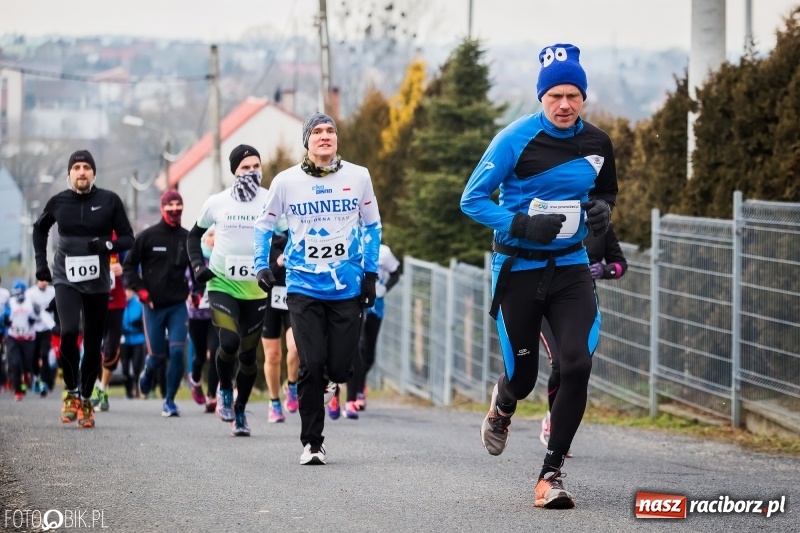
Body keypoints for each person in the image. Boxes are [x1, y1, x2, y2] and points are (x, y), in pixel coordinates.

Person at [460, 43, 617, 509]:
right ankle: (503, 404)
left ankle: (550, 475)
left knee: (577, 364)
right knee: (523, 376)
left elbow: (605, 195)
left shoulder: (598, 143)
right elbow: (473, 199)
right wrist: (521, 224)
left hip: (570, 267)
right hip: (518, 270)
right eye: (555, 96)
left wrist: (602, 215)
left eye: (573, 95)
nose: (565, 105)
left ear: (583, 97)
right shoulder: (514, 139)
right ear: (542, 98)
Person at [254, 112, 382, 464]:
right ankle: (312, 442)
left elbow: (372, 226)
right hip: (303, 286)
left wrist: (370, 273)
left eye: (331, 131)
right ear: (307, 141)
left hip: (346, 288)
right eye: (318, 132)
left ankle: (329, 382)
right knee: (311, 362)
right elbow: (263, 227)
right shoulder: (286, 181)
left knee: (339, 368)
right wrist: (261, 266)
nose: (325, 136)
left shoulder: (359, 176)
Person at [33, 149, 135, 428]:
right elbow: (39, 229)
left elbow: (128, 238)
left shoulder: (109, 201)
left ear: (93, 173)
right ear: (69, 174)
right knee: (68, 332)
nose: (81, 172)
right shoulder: (58, 202)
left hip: (98, 282)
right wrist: (41, 264)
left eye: (86, 167)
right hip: (65, 277)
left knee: (92, 344)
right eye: (76, 167)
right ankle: (72, 391)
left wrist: (107, 245)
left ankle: (87, 399)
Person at [186, 144, 269, 437]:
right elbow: (193, 236)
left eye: (256, 166)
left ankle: (241, 411)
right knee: (230, 341)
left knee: (247, 357)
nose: (252, 172)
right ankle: (224, 388)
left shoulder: (270, 200)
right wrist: (198, 267)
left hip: (256, 290)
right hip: (221, 283)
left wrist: (275, 261)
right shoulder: (217, 202)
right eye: (246, 167)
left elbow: (285, 236)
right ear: (235, 170)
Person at [539, 221, 628, 450]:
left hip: (580, 305)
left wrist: (604, 270)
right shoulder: (555, 216)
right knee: (559, 364)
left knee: (576, 367)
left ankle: (559, 432)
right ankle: (553, 420)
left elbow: (620, 264)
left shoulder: (601, 226)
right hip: (544, 303)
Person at [123, 189, 193, 417]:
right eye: (169, 205)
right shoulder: (147, 237)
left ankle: (170, 400)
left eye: (178, 205)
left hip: (177, 306)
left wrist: (199, 291)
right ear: (162, 208)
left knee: (178, 351)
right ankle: (148, 371)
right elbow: (129, 267)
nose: (174, 209)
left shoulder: (188, 237)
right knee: (157, 356)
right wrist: (140, 290)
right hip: (152, 306)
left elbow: (198, 268)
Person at [329, 243, 400, 420]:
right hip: (354, 301)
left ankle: (358, 386)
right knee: (355, 346)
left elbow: (396, 273)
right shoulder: (347, 244)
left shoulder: (383, 251)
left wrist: (385, 288)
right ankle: (352, 395)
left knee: (368, 353)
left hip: (376, 304)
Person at [260, 220, 300, 423]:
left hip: (292, 299)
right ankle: (274, 402)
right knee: (273, 356)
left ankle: (292, 385)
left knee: (295, 348)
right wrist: (278, 262)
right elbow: (260, 272)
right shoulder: (265, 238)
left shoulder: (299, 235)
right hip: (270, 301)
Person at [186, 226, 222, 413]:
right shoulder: (196, 257)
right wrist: (193, 294)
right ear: (203, 239)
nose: (214, 239)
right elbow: (188, 280)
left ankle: (211, 396)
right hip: (197, 315)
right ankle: (196, 379)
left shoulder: (223, 256)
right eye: (210, 235)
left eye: (217, 234)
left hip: (216, 313)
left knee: (216, 352)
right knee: (200, 355)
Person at [91, 241, 127, 411]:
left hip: (116, 302)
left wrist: (123, 268)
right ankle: (95, 386)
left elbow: (134, 263)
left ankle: (102, 387)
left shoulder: (121, 237)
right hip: (93, 298)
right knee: (93, 347)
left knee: (112, 349)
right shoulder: (88, 232)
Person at [4, 281, 39, 401]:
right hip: (14, 337)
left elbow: (37, 315)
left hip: (28, 338)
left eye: (20, 293)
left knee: (26, 364)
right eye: (16, 293)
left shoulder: (31, 303)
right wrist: (6, 321)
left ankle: (27, 375)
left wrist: (32, 319)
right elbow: (5, 316)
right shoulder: (11, 302)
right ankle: (17, 390)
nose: (18, 296)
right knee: (14, 363)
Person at [25, 279, 56, 397]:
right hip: (33, 329)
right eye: (41, 280)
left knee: (44, 355)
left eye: (46, 280)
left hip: (47, 328)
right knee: (33, 356)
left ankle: (44, 383)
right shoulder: (30, 293)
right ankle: (36, 378)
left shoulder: (53, 291)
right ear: (37, 281)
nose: (44, 282)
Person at [120, 288, 145, 399]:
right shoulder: (121, 302)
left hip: (138, 339)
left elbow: (143, 319)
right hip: (124, 339)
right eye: (125, 290)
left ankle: (137, 388)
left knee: (136, 367)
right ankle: (128, 391)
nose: (127, 293)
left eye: (129, 291)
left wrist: (139, 324)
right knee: (125, 368)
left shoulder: (138, 303)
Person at [0, 276, 10, 392]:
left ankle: (4, 381)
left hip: (2, 329)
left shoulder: (5, 294)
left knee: (4, 357)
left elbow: (9, 309)